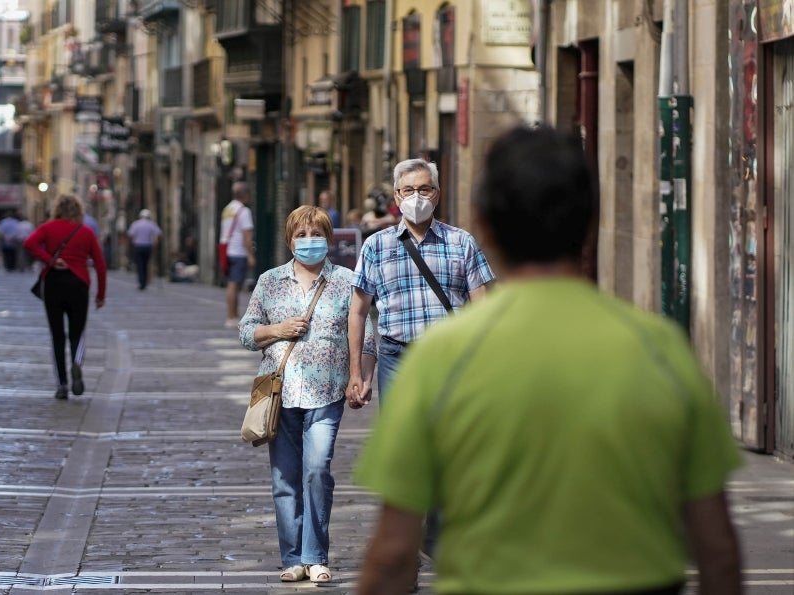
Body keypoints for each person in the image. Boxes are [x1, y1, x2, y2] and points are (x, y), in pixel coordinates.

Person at [355, 125, 743, 595]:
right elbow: (717, 548)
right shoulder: (661, 349)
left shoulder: (439, 360)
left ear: (484, 224)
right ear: (591, 221)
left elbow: (394, 551)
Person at [239, 205, 377, 585]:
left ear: (328, 239)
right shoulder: (270, 281)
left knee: (317, 471)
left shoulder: (348, 281)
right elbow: (246, 332)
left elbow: (367, 336)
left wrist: (362, 377)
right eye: (301, 235)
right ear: (289, 240)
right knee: (284, 479)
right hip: (280, 393)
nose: (309, 241)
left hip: (327, 390)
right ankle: (293, 558)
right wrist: (277, 329)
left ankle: (316, 556)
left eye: (316, 234)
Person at [348, 158, 494, 406]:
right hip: (397, 358)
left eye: (424, 189)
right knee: (401, 439)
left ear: (436, 195)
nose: (417, 196)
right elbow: (358, 312)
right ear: (397, 197)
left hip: (451, 355)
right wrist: (356, 373)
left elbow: (483, 308)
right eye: (408, 190)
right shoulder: (376, 246)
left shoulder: (462, 242)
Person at [23, 195, 107, 400]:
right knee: (77, 333)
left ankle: (61, 384)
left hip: (53, 284)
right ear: (79, 211)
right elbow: (100, 265)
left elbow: (29, 244)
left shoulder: (48, 228)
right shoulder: (86, 232)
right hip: (79, 285)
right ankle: (77, 363)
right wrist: (100, 295)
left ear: (57, 209)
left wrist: (50, 260)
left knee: (57, 335)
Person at [220, 181, 256, 327]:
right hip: (238, 251)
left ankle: (232, 314)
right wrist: (251, 255)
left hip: (227, 250)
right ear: (246, 195)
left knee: (232, 283)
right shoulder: (244, 211)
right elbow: (247, 235)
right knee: (234, 284)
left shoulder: (227, 209)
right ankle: (232, 316)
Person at [125, 208, 162, 290]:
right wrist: (156, 243)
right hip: (147, 247)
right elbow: (159, 234)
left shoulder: (136, 224)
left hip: (138, 247)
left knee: (139, 265)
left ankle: (141, 282)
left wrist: (131, 246)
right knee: (145, 264)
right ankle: (144, 282)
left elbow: (130, 235)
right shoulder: (151, 224)